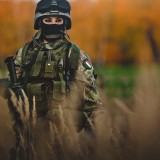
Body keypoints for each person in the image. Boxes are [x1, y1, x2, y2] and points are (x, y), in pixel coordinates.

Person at [7, 0, 103, 159]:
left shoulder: (75, 55)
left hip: (64, 138)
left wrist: (93, 136)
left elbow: (93, 102)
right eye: (48, 19)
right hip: (28, 136)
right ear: (39, 21)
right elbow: (12, 84)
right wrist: (6, 86)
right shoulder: (25, 52)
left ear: (65, 22)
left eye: (58, 20)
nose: (53, 23)